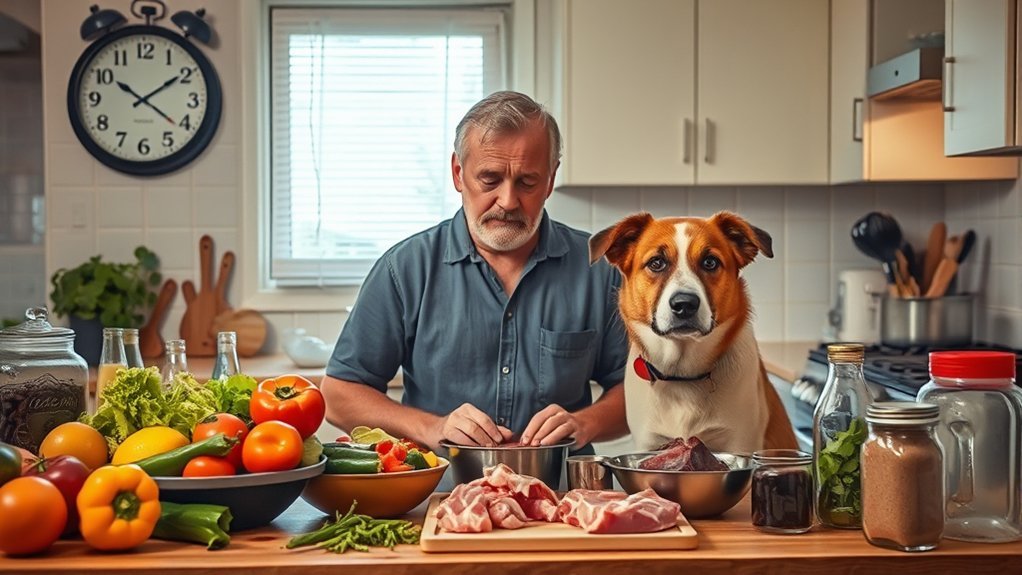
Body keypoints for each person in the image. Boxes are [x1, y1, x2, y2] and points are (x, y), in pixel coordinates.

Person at [321, 91, 628, 453]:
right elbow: (339, 394)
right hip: (441, 497)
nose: (508, 201)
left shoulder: (599, 269)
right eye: (490, 179)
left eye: (527, 182)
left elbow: (640, 391)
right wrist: (430, 427)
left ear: (550, 179)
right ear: (458, 173)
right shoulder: (404, 269)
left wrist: (586, 422)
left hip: (564, 498)